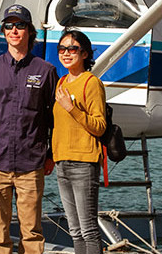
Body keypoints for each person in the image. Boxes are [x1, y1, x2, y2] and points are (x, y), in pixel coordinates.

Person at [0, 4, 59, 254]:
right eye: (9, 26)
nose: (14, 30)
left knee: (32, 233)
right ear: (3, 32)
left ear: (29, 31)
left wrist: (51, 154)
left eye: (20, 25)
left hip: (31, 164)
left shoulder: (46, 71)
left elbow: (53, 119)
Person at [52, 29, 106, 254]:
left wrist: (72, 109)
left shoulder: (91, 82)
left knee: (88, 229)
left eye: (72, 49)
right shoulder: (61, 82)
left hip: (83, 163)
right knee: (74, 230)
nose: (66, 53)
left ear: (84, 53)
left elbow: (100, 126)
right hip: (61, 162)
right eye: (62, 49)